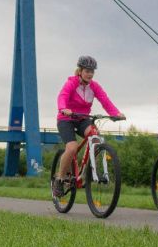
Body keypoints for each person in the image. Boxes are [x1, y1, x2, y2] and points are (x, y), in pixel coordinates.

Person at [53, 55, 125, 196]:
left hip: (83, 119)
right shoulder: (71, 83)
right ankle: (60, 179)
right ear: (80, 71)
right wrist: (63, 108)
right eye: (87, 71)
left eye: (92, 71)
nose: (90, 74)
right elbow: (62, 96)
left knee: (95, 137)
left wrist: (116, 113)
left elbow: (105, 101)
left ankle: (91, 172)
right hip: (66, 118)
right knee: (72, 147)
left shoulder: (95, 86)